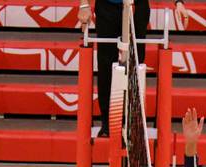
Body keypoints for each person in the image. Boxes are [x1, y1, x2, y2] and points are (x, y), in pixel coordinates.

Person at [78, 0, 189, 137]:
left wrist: (178, 2)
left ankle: (132, 122)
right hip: (107, 6)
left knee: (135, 67)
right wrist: (84, 5)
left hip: (137, 8)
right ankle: (107, 123)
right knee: (106, 66)